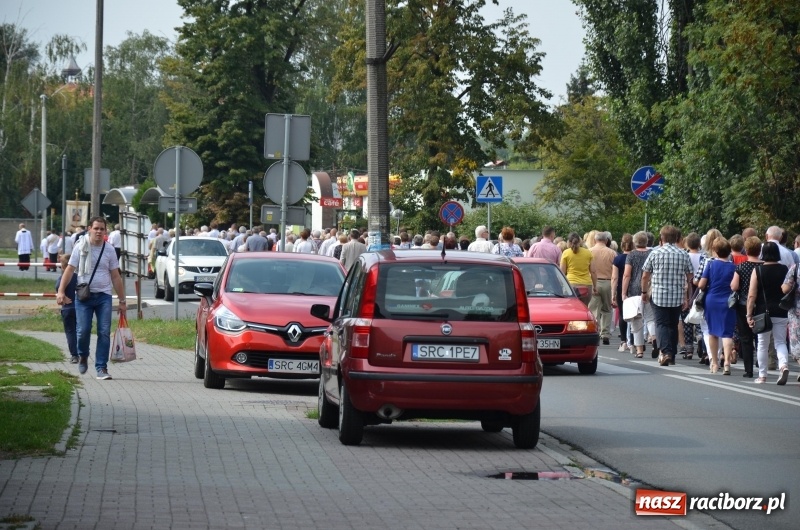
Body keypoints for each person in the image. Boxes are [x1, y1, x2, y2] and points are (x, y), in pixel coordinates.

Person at [56, 216, 127, 380]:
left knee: (104, 331)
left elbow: (115, 276)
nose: (99, 232)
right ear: (89, 229)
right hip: (84, 297)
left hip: (104, 296)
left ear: (106, 231)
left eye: (102, 229)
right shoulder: (80, 247)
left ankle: (101, 368)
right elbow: (69, 269)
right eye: (96, 228)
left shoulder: (109, 250)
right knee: (83, 331)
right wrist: (61, 291)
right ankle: (82, 355)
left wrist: (122, 301)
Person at [641, 225, 693, 366]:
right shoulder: (683, 254)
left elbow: (645, 275)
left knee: (661, 324)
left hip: (659, 294)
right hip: (677, 295)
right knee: (673, 324)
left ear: (662, 237)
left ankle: (666, 352)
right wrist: (687, 295)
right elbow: (690, 276)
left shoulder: (655, 253)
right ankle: (672, 354)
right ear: (677, 238)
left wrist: (644, 292)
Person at [746, 242, 790, 384]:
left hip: (762, 312)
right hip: (781, 310)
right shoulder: (784, 269)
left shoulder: (758, 270)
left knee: (762, 344)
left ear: (763, 253)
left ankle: (762, 375)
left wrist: (749, 314)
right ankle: (783, 365)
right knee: (780, 341)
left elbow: (752, 295)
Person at [697, 237, 737, 374]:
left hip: (712, 300)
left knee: (712, 332)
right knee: (727, 333)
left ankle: (714, 363)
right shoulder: (734, 267)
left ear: (715, 250)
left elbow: (701, 284)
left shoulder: (711, 265)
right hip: (728, 302)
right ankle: (727, 363)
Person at [730, 236, 762, 378]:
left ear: (746, 250)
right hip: (761, 304)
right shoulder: (763, 266)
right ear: (759, 250)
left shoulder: (741, 267)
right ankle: (761, 364)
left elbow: (734, 286)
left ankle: (748, 370)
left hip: (743, 304)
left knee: (746, 337)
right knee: (761, 337)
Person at [588, 231, 617, 345]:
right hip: (607, 282)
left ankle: (594, 330)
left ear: (595, 240)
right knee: (607, 309)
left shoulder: (589, 252)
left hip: (593, 281)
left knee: (593, 309)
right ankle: (605, 333)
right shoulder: (612, 253)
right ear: (606, 240)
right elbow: (615, 271)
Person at [561, 232, 596, 306]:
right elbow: (593, 272)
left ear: (569, 242)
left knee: (570, 308)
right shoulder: (588, 253)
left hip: (571, 284)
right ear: (580, 241)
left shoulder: (566, 253)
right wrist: (595, 286)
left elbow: (562, 272)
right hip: (586, 284)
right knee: (584, 307)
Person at [611, 233, 633, 352]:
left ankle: (623, 341)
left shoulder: (618, 259)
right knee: (635, 315)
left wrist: (613, 294)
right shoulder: (635, 257)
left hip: (621, 288)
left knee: (622, 314)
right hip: (634, 288)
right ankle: (633, 342)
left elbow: (614, 278)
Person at [56, 254, 78, 364]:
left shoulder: (61, 278)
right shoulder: (78, 277)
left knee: (70, 332)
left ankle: (74, 355)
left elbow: (57, 288)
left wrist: (62, 295)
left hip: (67, 308)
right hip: (80, 308)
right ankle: (83, 351)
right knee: (81, 331)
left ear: (62, 266)